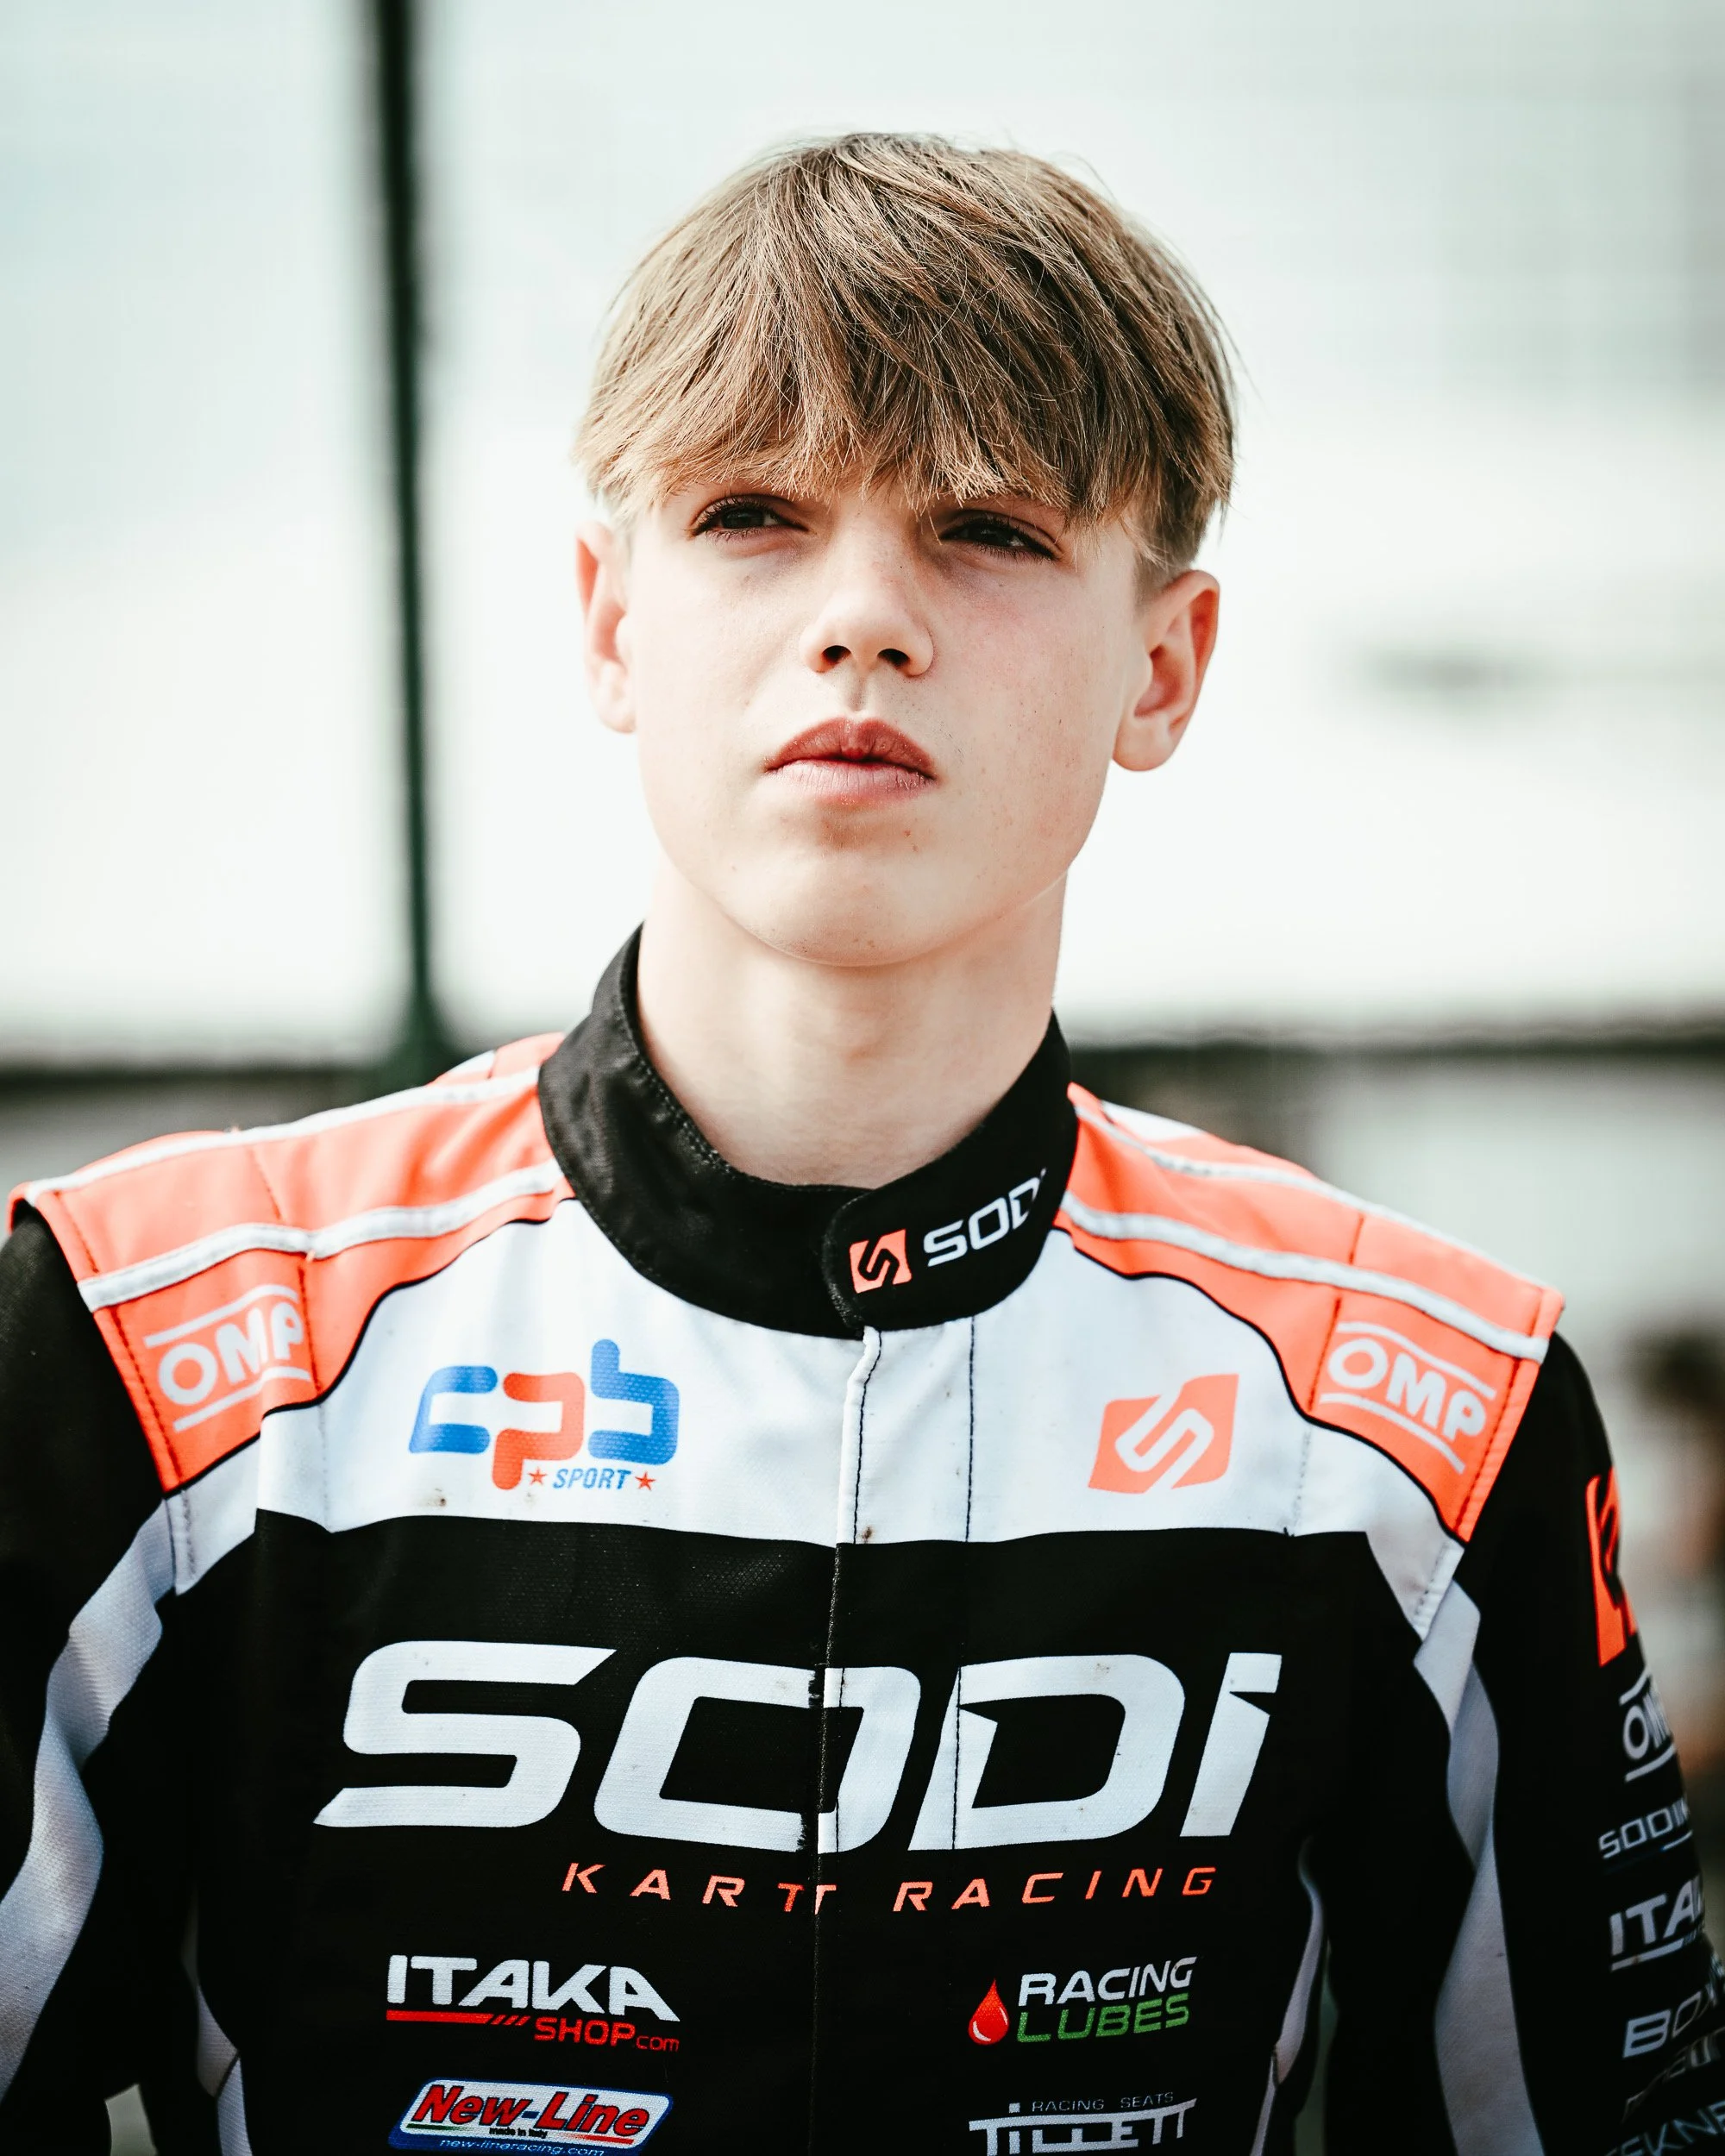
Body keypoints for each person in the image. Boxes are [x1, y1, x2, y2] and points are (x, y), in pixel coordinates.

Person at [0, 134, 1715, 2156]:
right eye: (753, 513)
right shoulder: (160, 1339)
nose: (863, 618)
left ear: (1164, 662)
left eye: (985, 526)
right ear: (608, 621)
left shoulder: (1417, 1404)